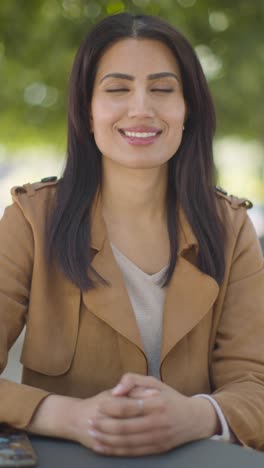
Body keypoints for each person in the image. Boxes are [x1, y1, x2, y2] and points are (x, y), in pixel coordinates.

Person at [0, 12, 264, 456]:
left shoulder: (230, 227)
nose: (141, 108)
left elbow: (255, 381)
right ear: (87, 110)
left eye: (162, 89)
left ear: (188, 110)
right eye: (117, 89)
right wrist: (70, 417)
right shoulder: (31, 220)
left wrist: (195, 416)